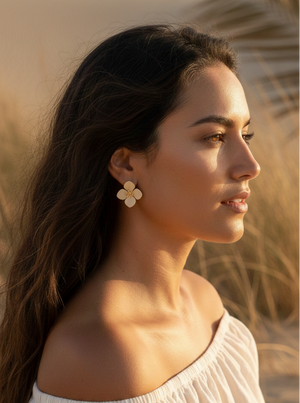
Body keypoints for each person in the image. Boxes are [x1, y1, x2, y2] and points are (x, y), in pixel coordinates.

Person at [0, 24, 265, 403]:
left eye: (246, 135)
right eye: (215, 137)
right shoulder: (97, 355)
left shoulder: (206, 305)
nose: (249, 165)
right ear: (125, 164)